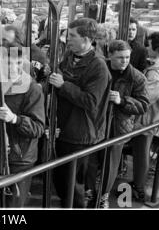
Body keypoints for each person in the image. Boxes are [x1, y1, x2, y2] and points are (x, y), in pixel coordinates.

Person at [49, 18, 111, 208]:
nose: (68, 39)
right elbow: (62, 75)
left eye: (72, 36)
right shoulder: (70, 55)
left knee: (74, 184)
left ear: (86, 39)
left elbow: (92, 101)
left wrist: (63, 85)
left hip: (81, 132)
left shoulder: (98, 66)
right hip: (65, 127)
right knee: (60, 178)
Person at [88, 40, 149, 208]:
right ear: (110, 56)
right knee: (91, 160)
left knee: (110, 164)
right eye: (120, 57)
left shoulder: (136, 77)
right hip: (96, 122)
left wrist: (122, 100)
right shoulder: (100, 68)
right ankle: (90, 191)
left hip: (119, 126)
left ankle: (103, 197)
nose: (124, 61)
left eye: (127, 57)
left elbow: (143, 105)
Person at [130, 32, 159, 202]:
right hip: (155, 116)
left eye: (149, 45)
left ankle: (138, 188)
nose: (146, 48)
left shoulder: (156, 74)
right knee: (142, 152)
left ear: (156, 49)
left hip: (145, 120)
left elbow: (144, 99)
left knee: (141, 153)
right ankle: (138, 183)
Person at [0, 43, 46, 207]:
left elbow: (38, 128)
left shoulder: (32, 89)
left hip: (20, 157)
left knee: (14, 205)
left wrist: (15, 119)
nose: (13, 68)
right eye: (8, 63)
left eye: (18, 63)